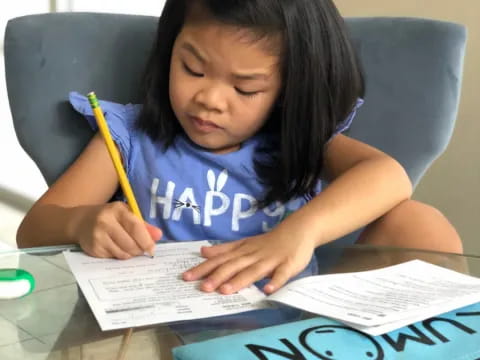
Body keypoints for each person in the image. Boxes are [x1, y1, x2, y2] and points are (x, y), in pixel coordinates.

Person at [17, 0, 462, 296]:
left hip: (288, 327)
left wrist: (296, 234)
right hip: (162, 330)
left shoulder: (294, 140)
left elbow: (389, 177)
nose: (210, 99)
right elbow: (32, 231)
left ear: (289, 91)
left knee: (419, 226)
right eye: (192, 68)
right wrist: (82, 223)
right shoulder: (130, 135)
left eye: (246, 88)